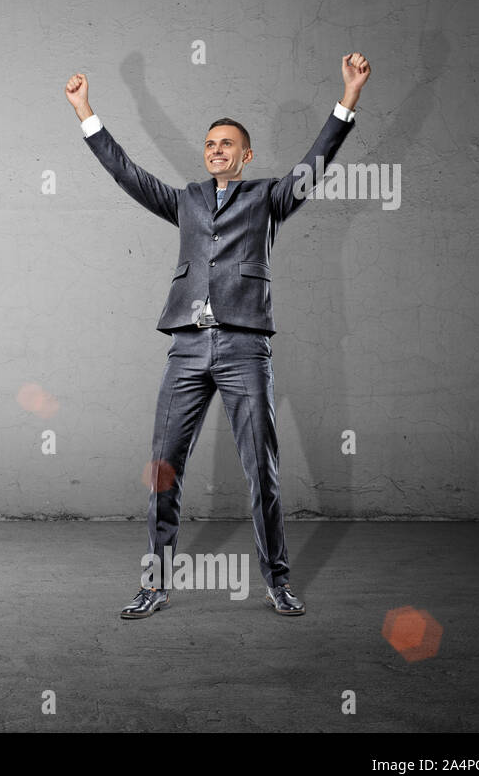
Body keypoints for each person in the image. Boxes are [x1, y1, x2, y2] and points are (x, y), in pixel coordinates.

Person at [64, 53, 371, 618]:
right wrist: (87, 112)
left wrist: (347, 97)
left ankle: (278, 582)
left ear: (246, 154)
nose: (215, 150)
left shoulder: (268, 199)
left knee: (262, 469)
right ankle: (154, 584)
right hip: (186, 346)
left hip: (243, 346)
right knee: (163, 468)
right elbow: (128, 173)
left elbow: (317, 160)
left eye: (226, 143)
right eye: (209, 144)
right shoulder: (185, 200)